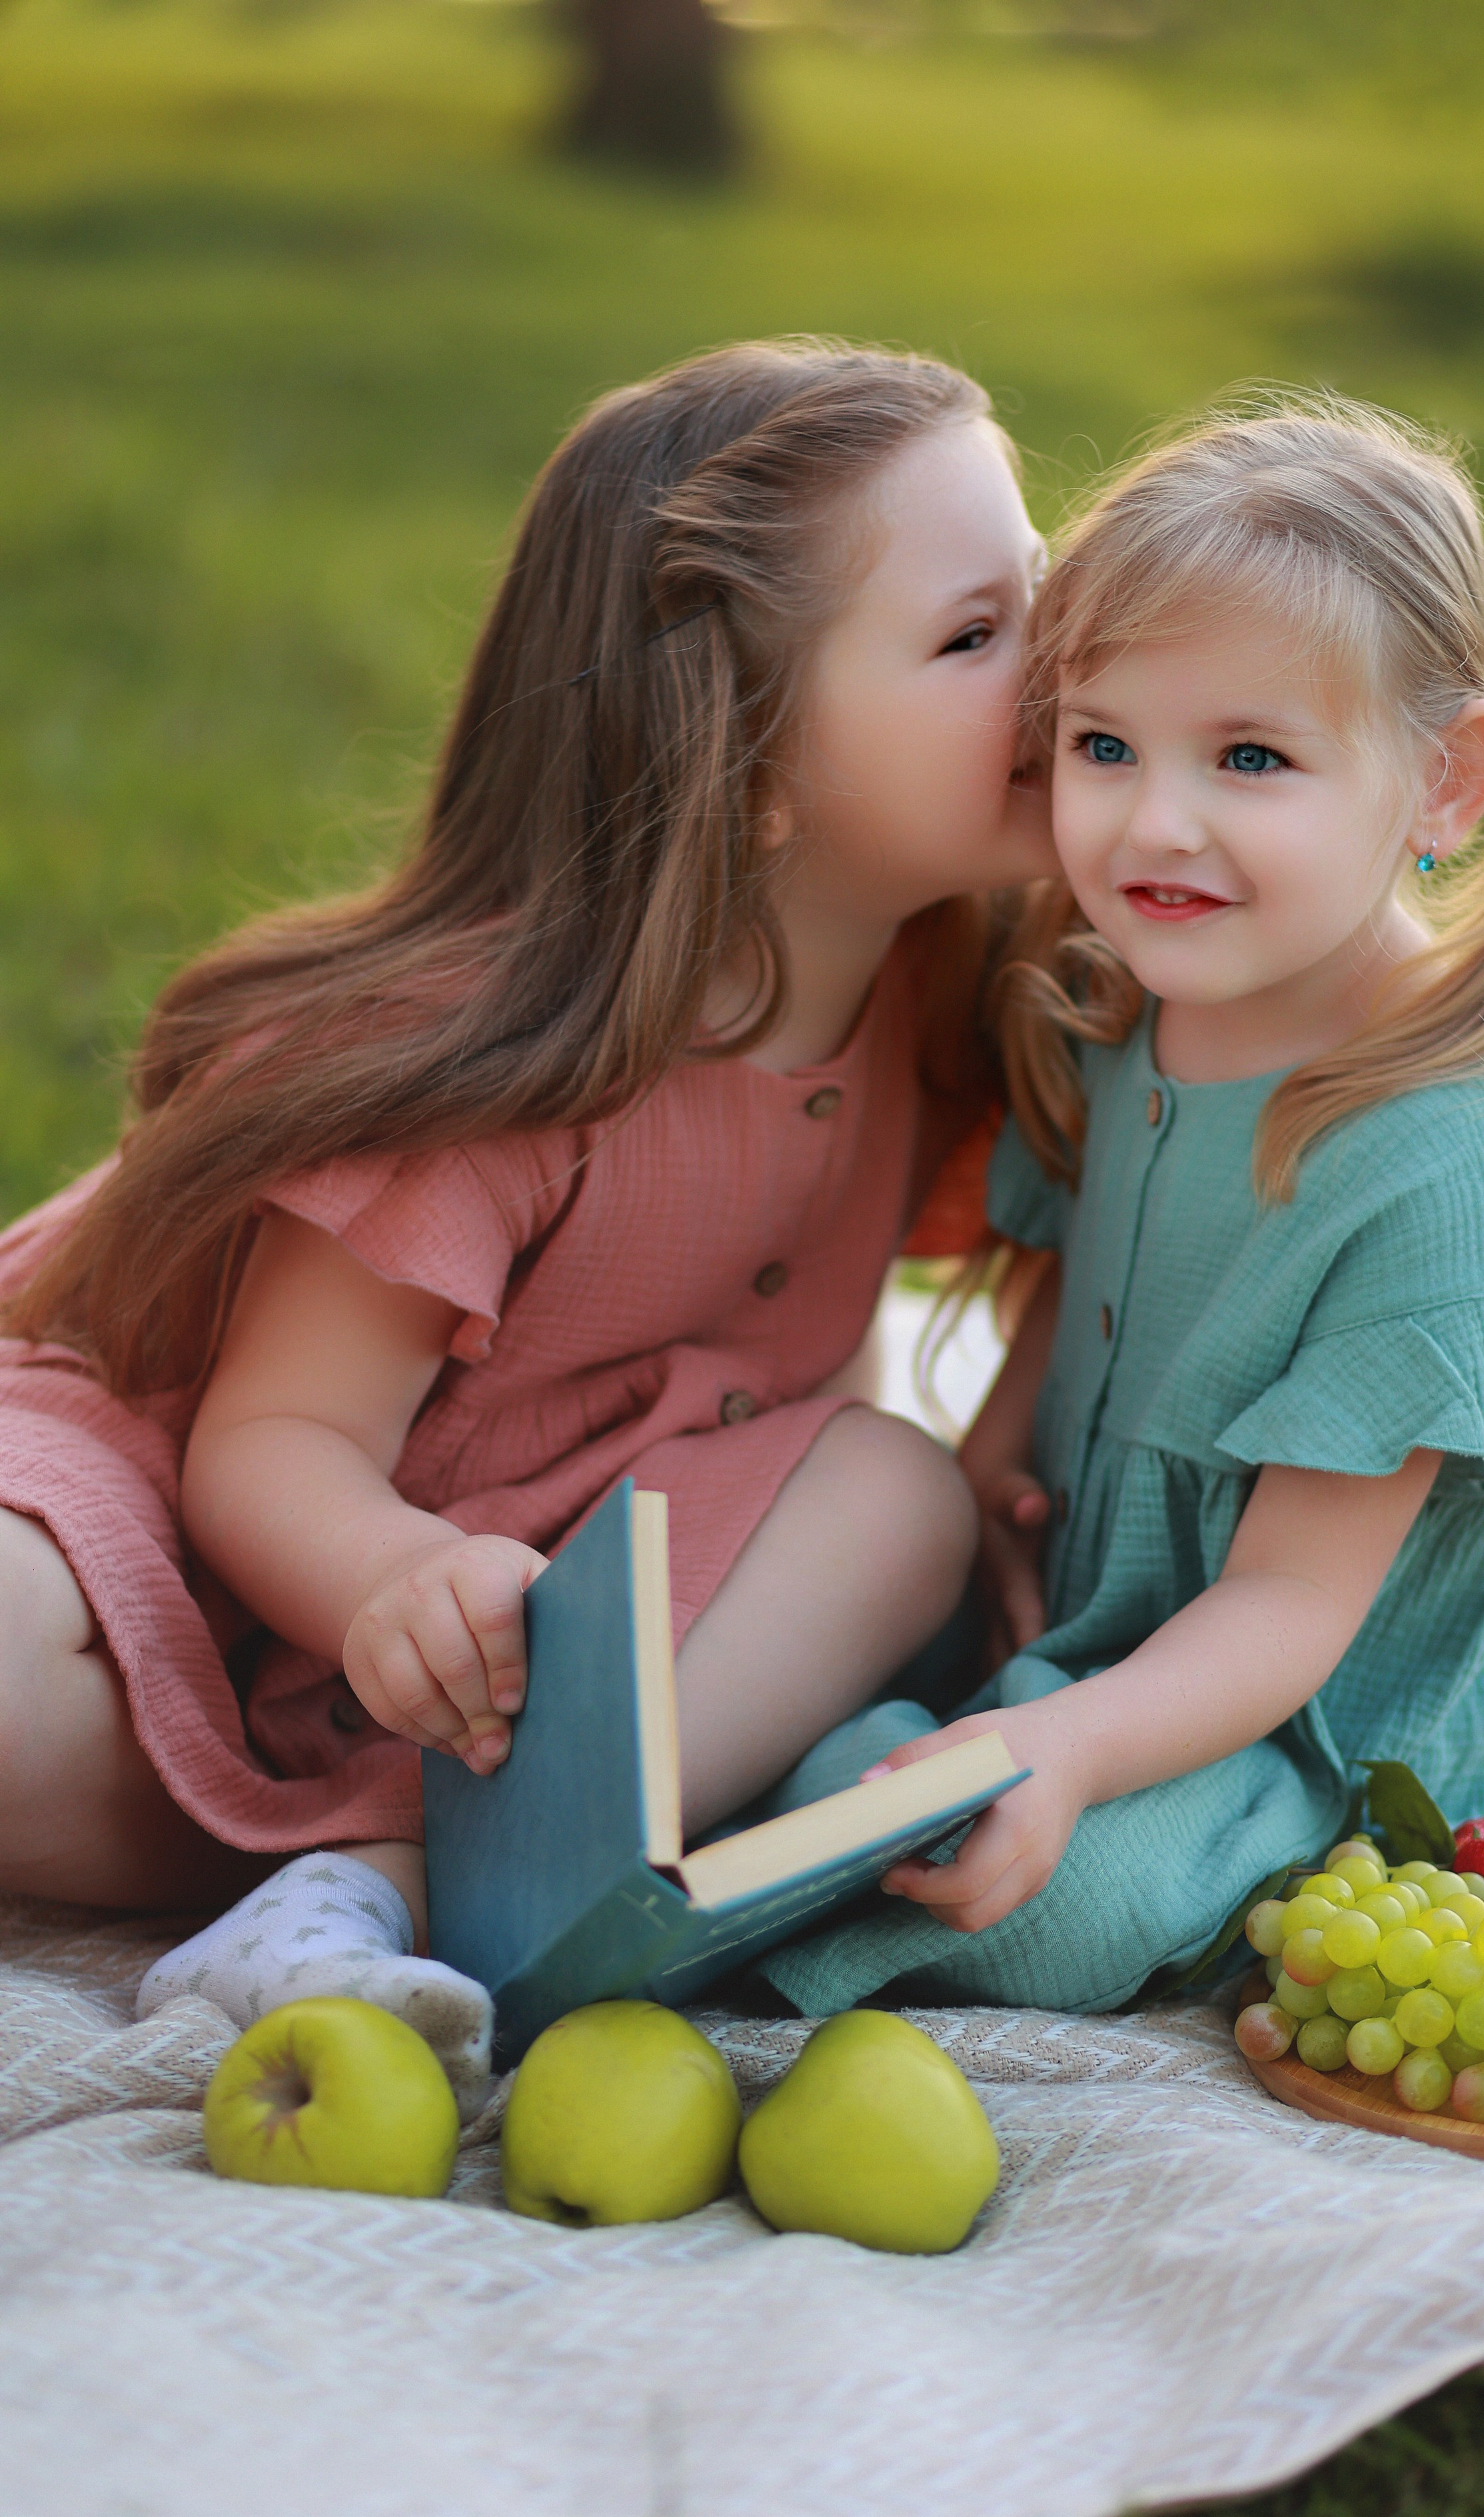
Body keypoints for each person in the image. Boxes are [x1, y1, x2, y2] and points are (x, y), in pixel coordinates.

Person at [0, 338, 1055, 2104]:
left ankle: (383, 1885)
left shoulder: (947, 984)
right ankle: (379, 1859)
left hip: (525, 1618)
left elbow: (872, 1348)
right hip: (197, 1531)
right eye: (975, 636)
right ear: (754, 768)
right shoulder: (496, 1068)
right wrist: (388, 1576)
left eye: (1045, 594)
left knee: (899, 1493)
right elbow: (275, 1440)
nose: (1059, 662)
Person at [761, 395, 1484, 2020]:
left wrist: (1066, 1746)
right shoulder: (1123, 996)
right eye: (1102, 745)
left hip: (1291, 1724)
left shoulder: (1433, 1159)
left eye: (1247, 758)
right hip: (1093, 1615)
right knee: (843, 1751)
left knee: (1051, 1910)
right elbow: (1067, 1282)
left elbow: (1292, 1602)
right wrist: (1002, 1453)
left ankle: (747, 1966)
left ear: (1443, 782)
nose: (1155, 824)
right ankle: (765, 1873)